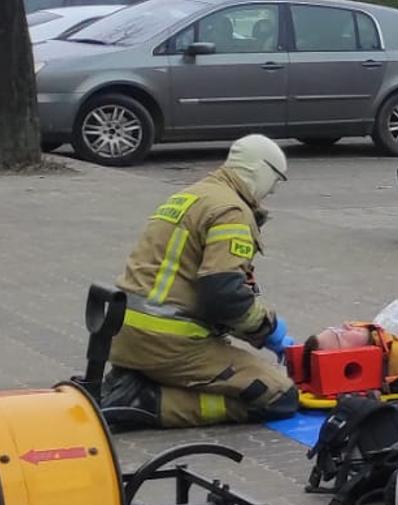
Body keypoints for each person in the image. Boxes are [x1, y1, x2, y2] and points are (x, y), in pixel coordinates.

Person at [100, 135, 299, 430]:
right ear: (260, 171)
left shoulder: (192, 195)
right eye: (275, 180)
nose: (272, 191)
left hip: (127, 335)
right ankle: (146, 403)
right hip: (168, 343)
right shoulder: (231, 211)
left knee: (237, 372)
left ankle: (137, 381)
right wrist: (270, 331)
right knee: (278, 396)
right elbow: (224, 295)